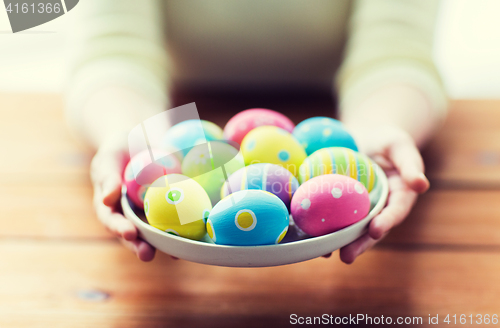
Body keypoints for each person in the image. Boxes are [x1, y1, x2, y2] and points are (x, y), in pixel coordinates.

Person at [65, 0, 448, 263]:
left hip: (335, 110)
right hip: (181, 112)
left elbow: (396, 52)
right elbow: (113, 51)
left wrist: (380, 128)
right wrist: (132, 135)